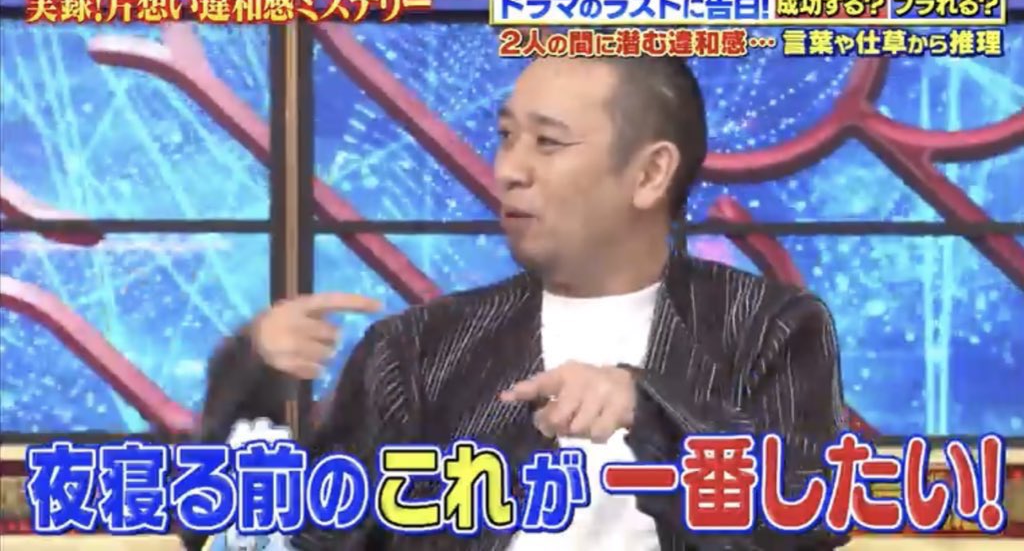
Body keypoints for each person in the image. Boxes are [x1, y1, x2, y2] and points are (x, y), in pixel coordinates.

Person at [186, 56, 849, 551]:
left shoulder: (771, 328)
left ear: (650, 173)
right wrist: (248, 377)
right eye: (506, 136)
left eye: (547, 142)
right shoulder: (415, 350)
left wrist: (648, 409)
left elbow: (807, 517)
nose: (508, 169)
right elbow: (300, 533)